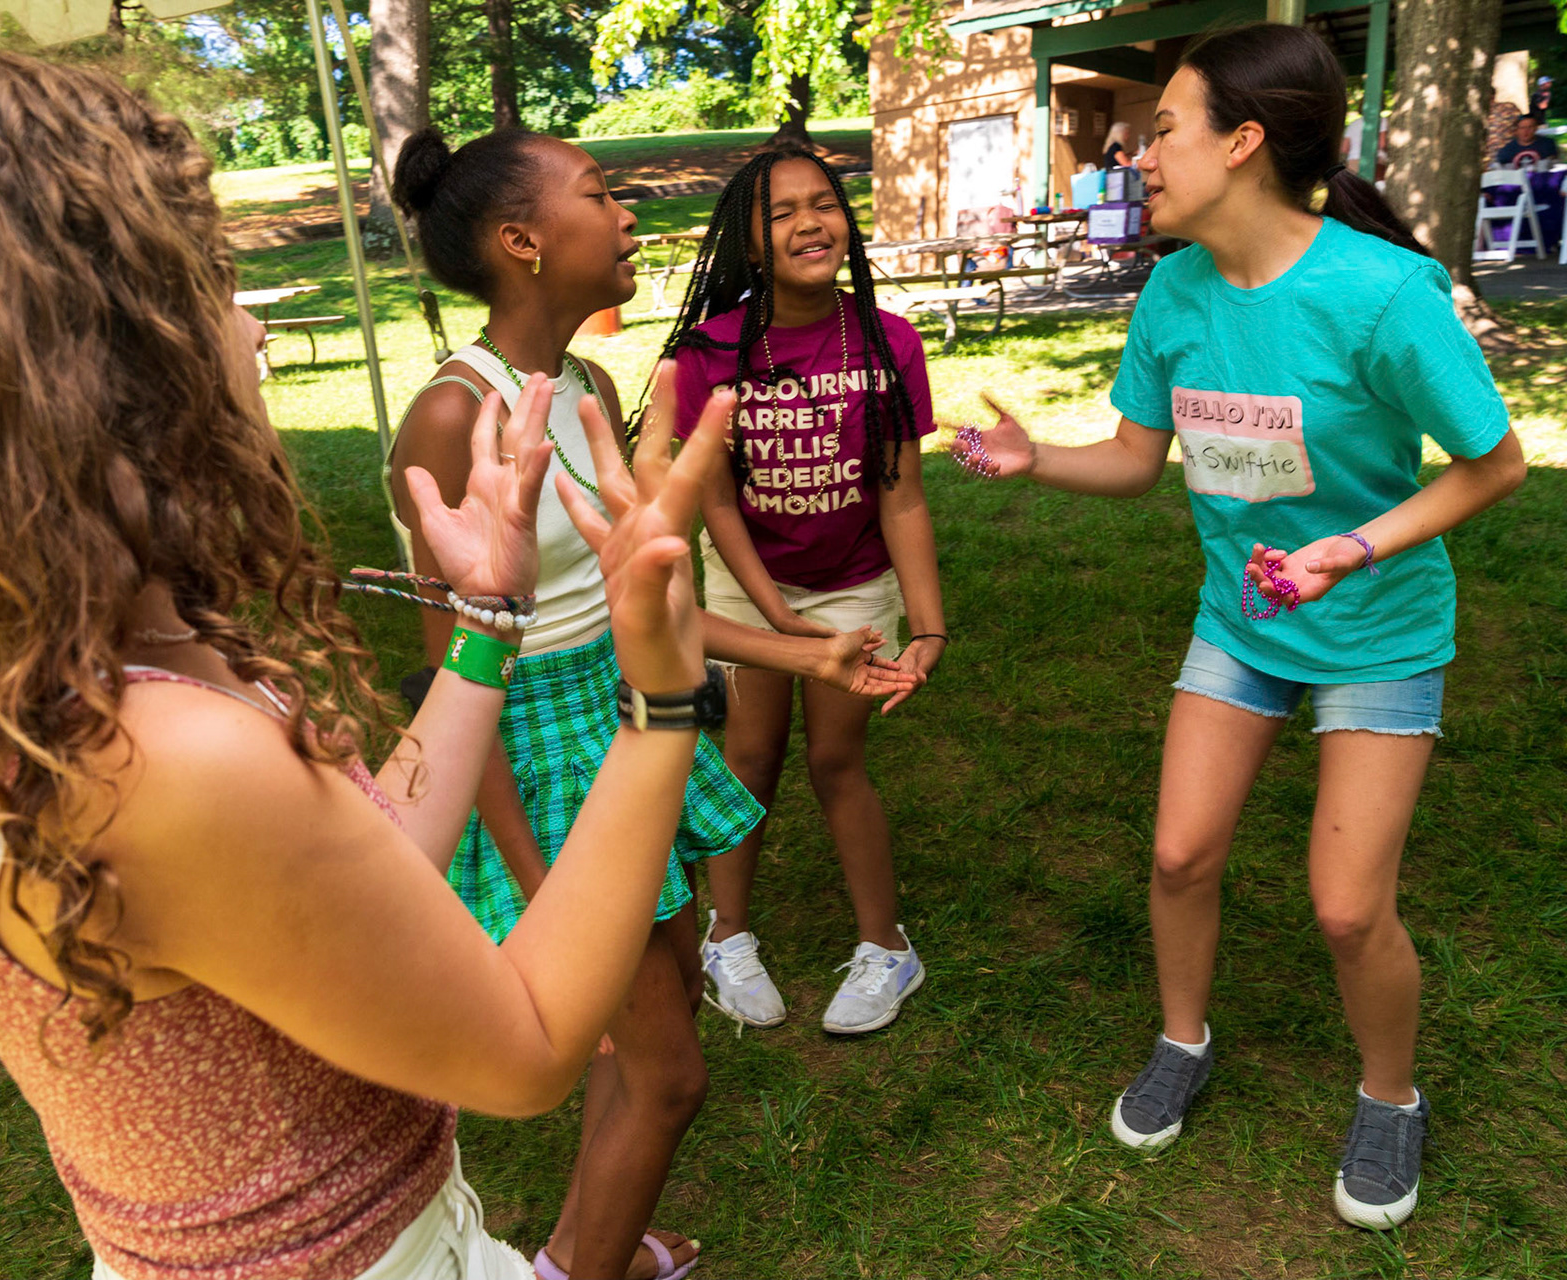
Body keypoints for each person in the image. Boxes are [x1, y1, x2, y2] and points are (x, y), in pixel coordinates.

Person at [0, 49, 753, 1280]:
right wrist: (661, 701)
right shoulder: (160, 757)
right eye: (209, 283)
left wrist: (483, 623)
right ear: (93, 358)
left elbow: (363, 863)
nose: (252, 325)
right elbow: (524, 1048)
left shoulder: (45, 668)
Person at [952, 23, 1525, 1231]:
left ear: (1244, 143)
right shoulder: (1174, 291)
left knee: (1348, 907)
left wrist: (1352, 547)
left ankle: (1391, 1093)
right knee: (1178, 854)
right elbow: (1134, 460)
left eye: (1163, 129)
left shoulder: (1383, 295)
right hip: (1243, 617)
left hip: (1377, 628)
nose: (1140, 155)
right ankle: (1182, 1037)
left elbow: (1495, 463)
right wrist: (1034, 458)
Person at [388, 127, 919, 1280]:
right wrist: (538, 887)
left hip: (619, 723)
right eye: (599, 194)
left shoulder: (587, 386)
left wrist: (806, 653)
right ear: (523, 241)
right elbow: (452, 681)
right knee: (670, 1073)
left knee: (664, 1009)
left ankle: (579, 1252)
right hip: (538, 759)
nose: (628, 214)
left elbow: (641, 604)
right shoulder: (451, 414)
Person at [646, 148, 946, 1037]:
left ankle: (887, 947)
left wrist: (929, 627)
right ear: (748, 241)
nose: (811, 223)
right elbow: (715, 502)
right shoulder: (708, 352)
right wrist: (775, 614)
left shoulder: (888, 340)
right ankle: (727, 936)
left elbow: (902, 496)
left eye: (825, 204)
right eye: (781, 212)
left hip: (855, 584)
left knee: (835, 761)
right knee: (749, 758)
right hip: (749, 588)